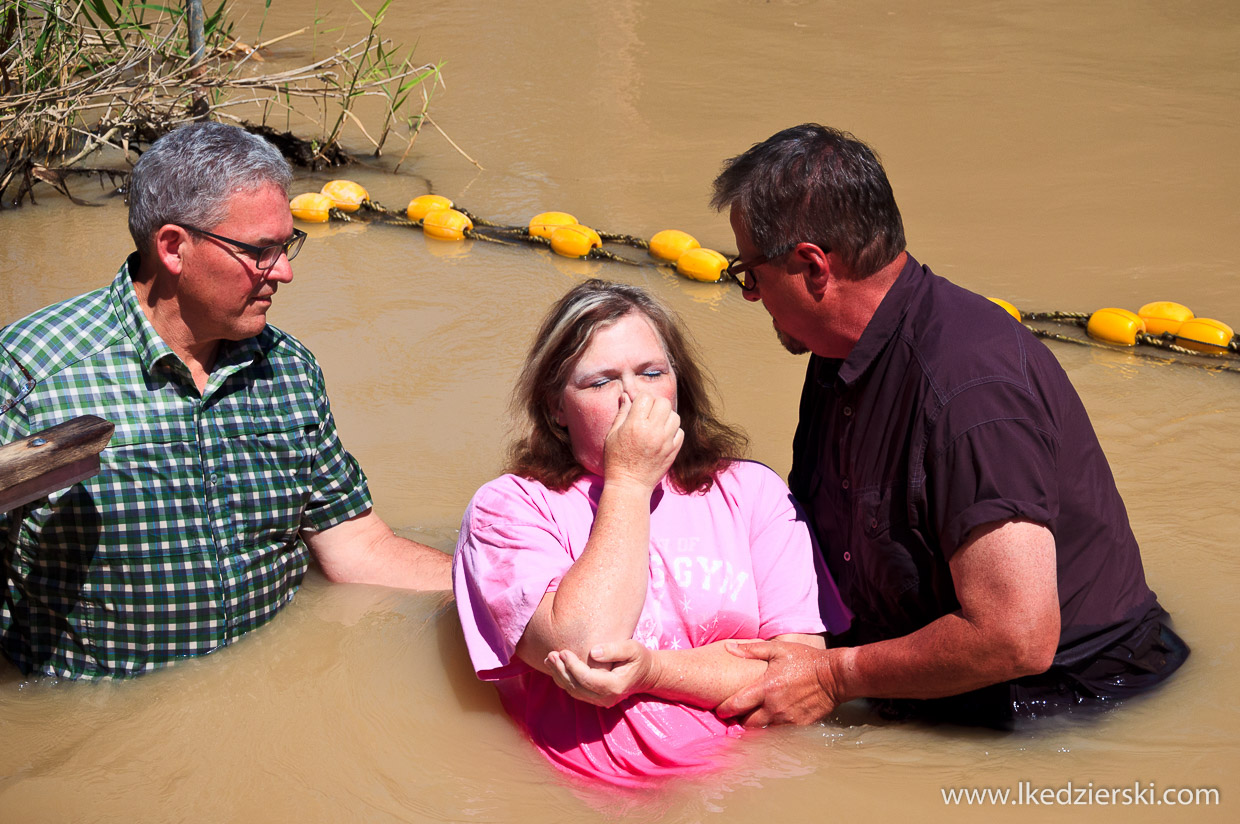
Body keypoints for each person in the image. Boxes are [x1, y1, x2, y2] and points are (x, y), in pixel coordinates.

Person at [708, 123, 1189, 728]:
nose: (751, 296)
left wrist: (833, 676)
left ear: (813, 267)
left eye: (750, 273)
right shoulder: (838, 350)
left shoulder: (970, 392)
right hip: (918, 674)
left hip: (1064, 704)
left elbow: (1018, 638)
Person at [0, 122, 450, 680]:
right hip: (97, 718)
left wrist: (519, 601)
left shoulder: (288, 369)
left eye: (286, 247)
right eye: (260, 251)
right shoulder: (32, 374)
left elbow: (357, 546)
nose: (283, 272)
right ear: (173, 248)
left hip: (274, 691)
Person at [453, 280, 850, 786]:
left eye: (651, 373)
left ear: (677, 384)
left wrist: (654, 671)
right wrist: (629, 481)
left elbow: (798, 678)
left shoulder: (753, 493)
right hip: (593, 799)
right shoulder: (508, 508)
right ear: (555, 408)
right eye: (600, 383)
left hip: (749, 784)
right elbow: (586, 649)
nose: (632, 397)